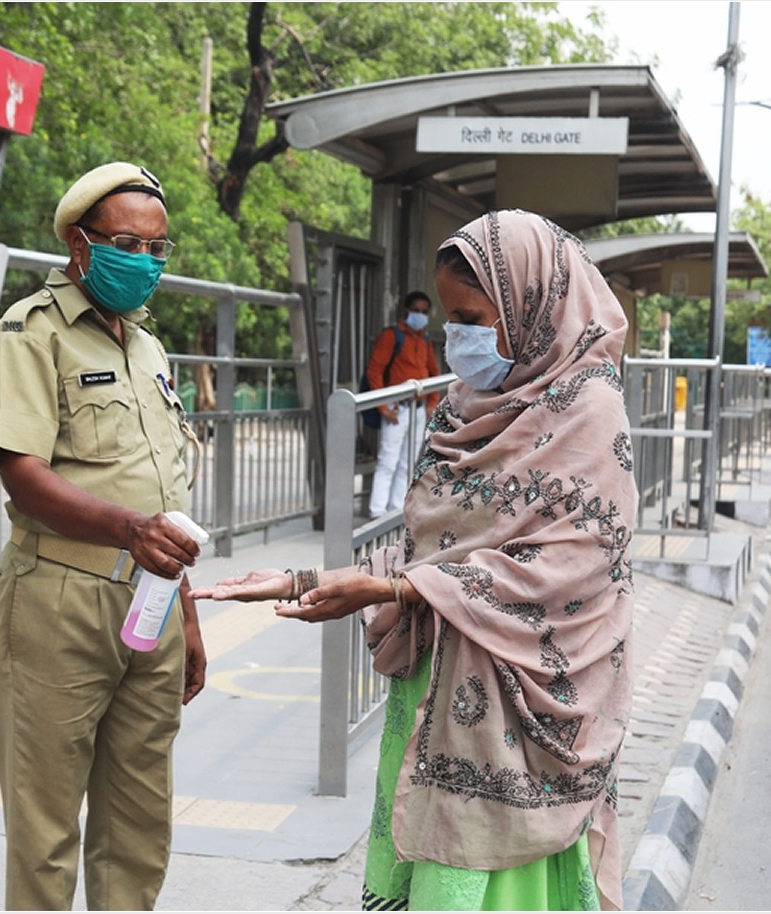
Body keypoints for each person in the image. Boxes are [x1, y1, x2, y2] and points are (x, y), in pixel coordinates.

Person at [192, 210, 638, 911]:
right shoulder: (463, 406)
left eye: (472, 318)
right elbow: (427, 541)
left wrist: (397, 588)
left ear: (530, 307)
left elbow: (574, 566)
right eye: (450, 319)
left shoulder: (587, 409)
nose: (457, 338)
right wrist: (316, 578)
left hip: (522, 711)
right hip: (438, 686)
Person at [0, 161, 208, 911]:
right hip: (58, 603)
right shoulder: (27, 335)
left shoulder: (146, 349)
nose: (143, 263)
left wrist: (189, 615)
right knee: (44, 834)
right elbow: (24, 474)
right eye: (125, 245)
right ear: (79, 243)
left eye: (157, 249)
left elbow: (164, 498)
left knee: (140, 825)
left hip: (153, 605)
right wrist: (127, 529)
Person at [365, 290, 442, 518]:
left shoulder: (424, 339)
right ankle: (377, 512)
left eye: (424, 312)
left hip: (418, 408)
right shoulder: (392, 336)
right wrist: (382, 407)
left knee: (407, 463)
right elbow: (375, 370)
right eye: (416, 311)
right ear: (406, 311)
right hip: (397, 406)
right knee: (388, 460)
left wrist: (431, 402)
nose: (420, 315)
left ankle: (396, 510)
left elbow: (434, 372)